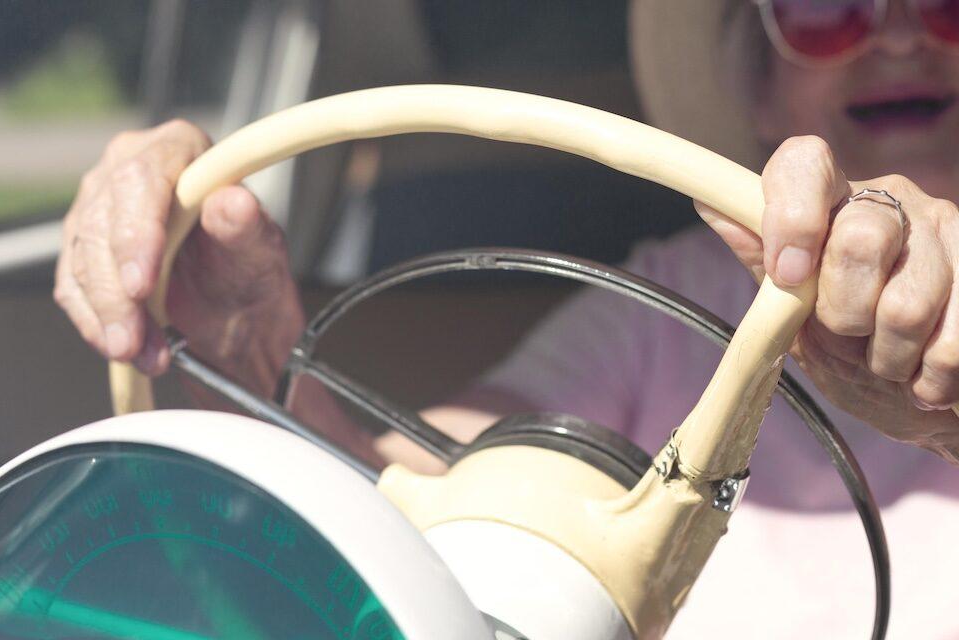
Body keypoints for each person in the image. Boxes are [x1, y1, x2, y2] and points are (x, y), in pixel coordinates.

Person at [54, 0, 959, 636]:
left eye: (945, 5)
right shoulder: (664, 302)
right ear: (755, 84)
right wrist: (244, 362)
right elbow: (420, 485)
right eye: (824, 10)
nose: (903, 42)